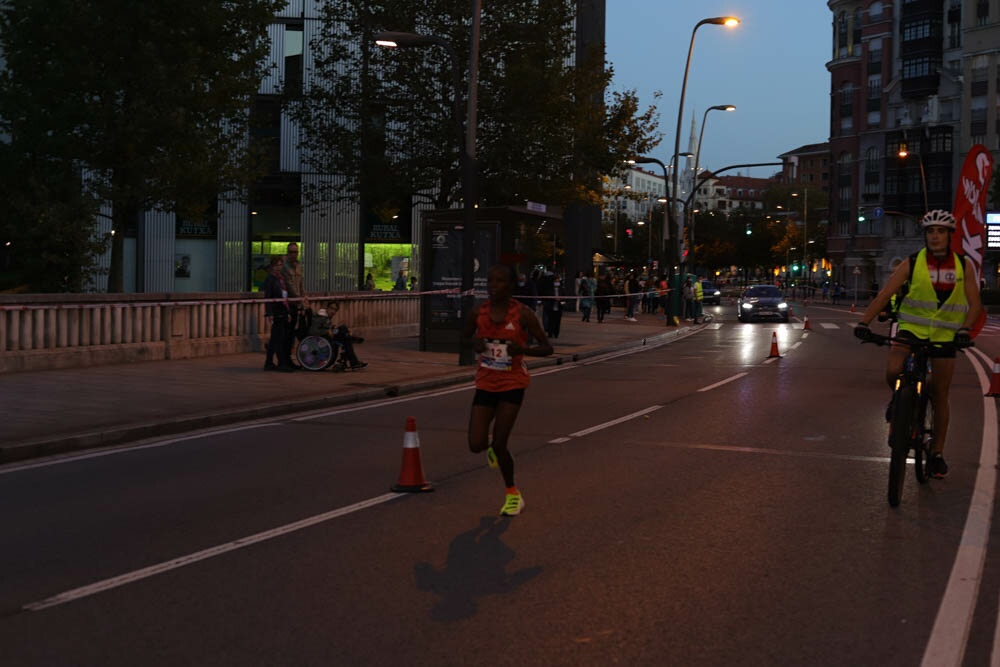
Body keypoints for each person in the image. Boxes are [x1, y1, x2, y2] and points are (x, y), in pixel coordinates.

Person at [854, 210, 983, 479]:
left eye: (940, 231)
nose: (934, 236)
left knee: (939, 395)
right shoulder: (913, 263)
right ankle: (900, 403)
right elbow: (885, 293)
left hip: (946, 335)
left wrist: (964, 329)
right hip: (911, 329)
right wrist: (864, 323)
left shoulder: (963, 265)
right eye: (930, 232)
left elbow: (975, 305)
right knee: (892, 372)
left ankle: (936, 452)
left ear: (949, 236)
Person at [463, 263, 552, 516]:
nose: (493, 286)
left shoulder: (522, 314)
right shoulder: (478, 312)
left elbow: (547, 348)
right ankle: (490, 448)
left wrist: (523, 350)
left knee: (501, 442)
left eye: (499, 281)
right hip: (486, 381)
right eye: (490, 280)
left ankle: (513, 493)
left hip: (513, 382)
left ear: (510, 285)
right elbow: (464, 336)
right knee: (476, 443)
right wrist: (474, 343)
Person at [310, 303, 367, 370]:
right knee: (343, 330)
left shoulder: (326, 317)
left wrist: (332, 328)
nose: (333, 311)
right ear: (327, 308)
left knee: (345, 337)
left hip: (329, 337)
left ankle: (347, 360)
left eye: (335, 310)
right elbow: (312, 331)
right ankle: (352, 360)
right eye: (332, 308)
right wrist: (327, 331)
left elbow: (327, 327)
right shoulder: (320, 317)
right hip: (322, 340)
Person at [263, 256, 295, 372]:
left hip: (283, 310)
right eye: (276, 265)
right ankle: (279, 363)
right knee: (278, 338)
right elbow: (268, 298)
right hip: (276, 312)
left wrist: (287, 312)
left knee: (276, 338)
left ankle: (270, 362)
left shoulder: (281, 279)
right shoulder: (270, 279)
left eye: (280, 265)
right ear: (272, 266)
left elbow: (284, 296)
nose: (278, 267)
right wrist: (269, 313)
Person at [282, 242, 306, 366]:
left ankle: (289, 358)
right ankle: (285, 359)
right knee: (287, 333)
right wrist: (297, 299)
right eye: (291, 252)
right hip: (288, 304)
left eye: (295, 252)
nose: (293, 254)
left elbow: (300, 284)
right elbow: (289, 285)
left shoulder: (298, 266)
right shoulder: (284, 267)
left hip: (296, 303)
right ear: (287, 252)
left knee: (293, 333)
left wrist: (303, 298)